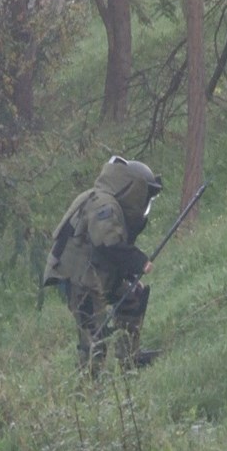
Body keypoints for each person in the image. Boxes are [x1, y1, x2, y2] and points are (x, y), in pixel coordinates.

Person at [43, 156, 163, 377]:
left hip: (96, 274)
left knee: (132, 298)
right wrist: (138, 261)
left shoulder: (106, 200)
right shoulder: (103, 204)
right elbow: (108, 244)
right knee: (92, 338)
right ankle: (88, 385)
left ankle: (129, 358)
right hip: (81, 280)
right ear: (133, 189)